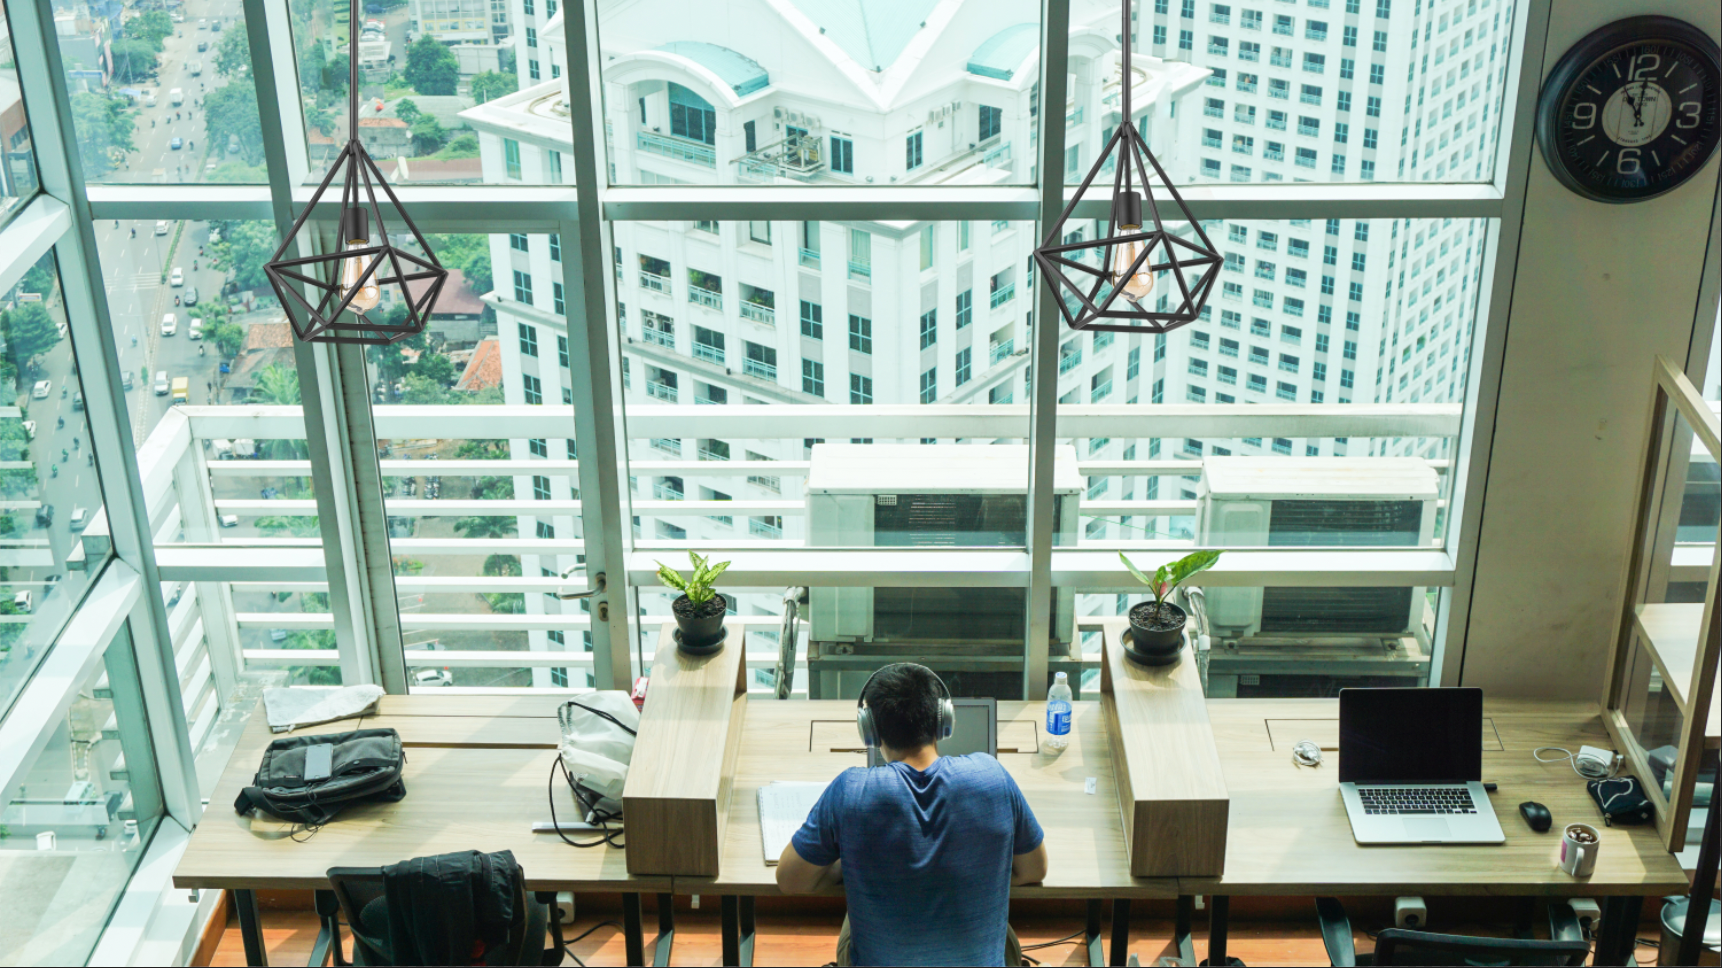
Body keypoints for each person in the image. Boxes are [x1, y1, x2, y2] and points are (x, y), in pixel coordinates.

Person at [776, 663, 1047, 966]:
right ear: (943, 722)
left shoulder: (851, 791)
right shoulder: (992, 777)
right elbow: (1034, 869)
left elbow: (790, 879)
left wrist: (848, 866)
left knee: (857, 917)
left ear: (870, 730)